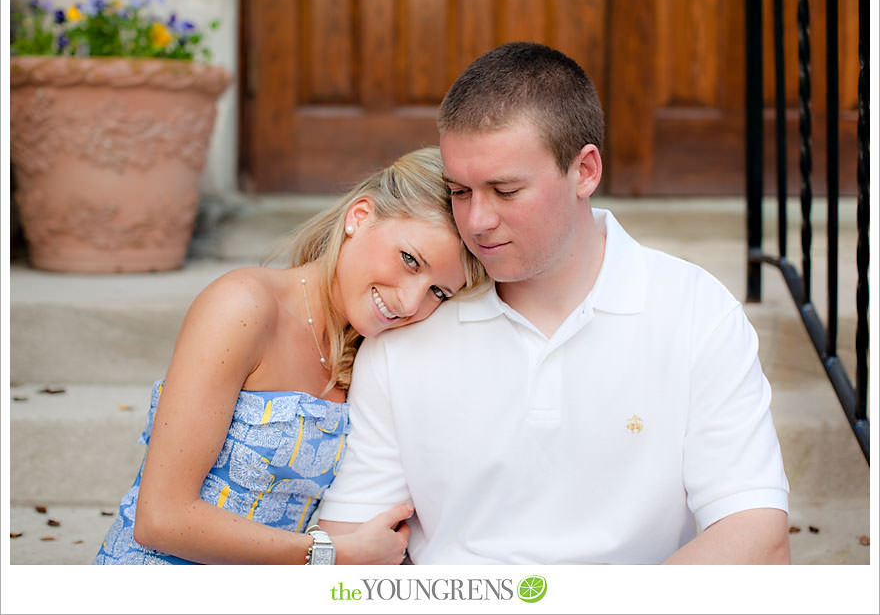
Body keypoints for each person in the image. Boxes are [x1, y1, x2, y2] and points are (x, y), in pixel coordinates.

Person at [318, 42, 791, 564]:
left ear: (585, 170)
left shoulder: (694, 310)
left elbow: (756, 535)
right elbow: (355, 550)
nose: (476, 221)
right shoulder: (411, 323)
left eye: (505, 190)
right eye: (459, 191)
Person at [93, 147, 488, 565]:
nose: (411, 302)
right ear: (360, 217)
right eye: (410, 260)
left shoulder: (375, 353)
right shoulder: (244, 306)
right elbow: (160, 519)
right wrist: (329, 555)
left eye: (438, 292)